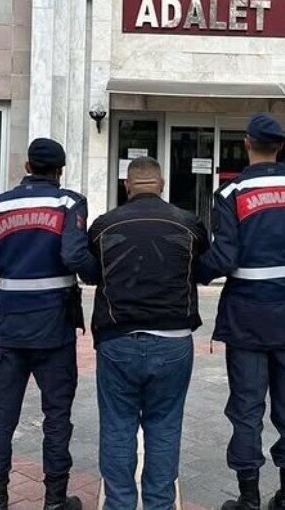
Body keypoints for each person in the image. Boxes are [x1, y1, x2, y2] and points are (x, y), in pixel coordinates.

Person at [198, 114, 285, 510]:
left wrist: (193, 274)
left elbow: (223, 257)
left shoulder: (231, 194)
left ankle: (249, 498)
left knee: (246, 407)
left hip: (248, 320)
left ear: (246, 143)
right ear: (281, 147)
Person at [0, 138, 99, 510]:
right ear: (60, 170)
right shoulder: (69, 202)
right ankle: (55, 500)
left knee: (3, 414)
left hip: (10, 326)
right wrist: (97, 274)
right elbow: (75, 255)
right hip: (55, 328)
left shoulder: (1, 205)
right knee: (57, 415)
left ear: (27, 167)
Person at [88, 157, 208, 510]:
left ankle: (120, 504)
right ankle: (159, 504)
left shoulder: (104, 225)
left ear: (128, 186)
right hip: (172, 342)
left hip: (117, 340)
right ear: (162, 183)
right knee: (165, 426)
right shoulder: (189, 224)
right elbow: (205, 265)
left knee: (117, 425)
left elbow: (89, 268)